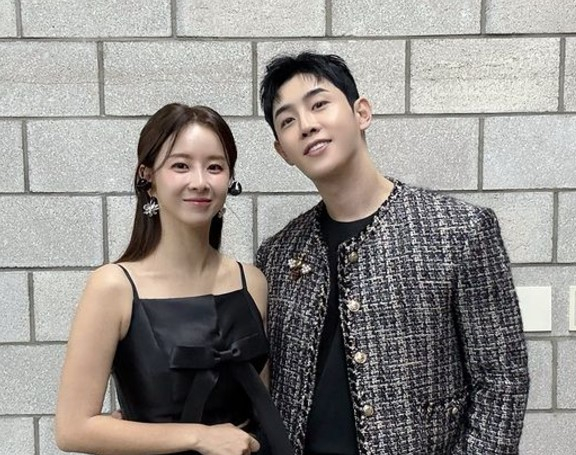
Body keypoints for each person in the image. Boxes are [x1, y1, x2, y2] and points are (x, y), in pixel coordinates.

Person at [255, 52, 530, 455]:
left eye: (319, 104)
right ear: (283, 151)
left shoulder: (459, 230)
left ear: (361, 113)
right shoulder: (277, 254)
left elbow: (502, 381)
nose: (307, 125)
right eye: (288, 120)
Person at [55, 103, 293, 455]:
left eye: (215, 167)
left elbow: (262, 401)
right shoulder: (113, 286)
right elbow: (72, 429)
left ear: (230, 180)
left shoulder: (252, 282)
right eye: (181, 165)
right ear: (147, 177)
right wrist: (199, 436)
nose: (200, 182)